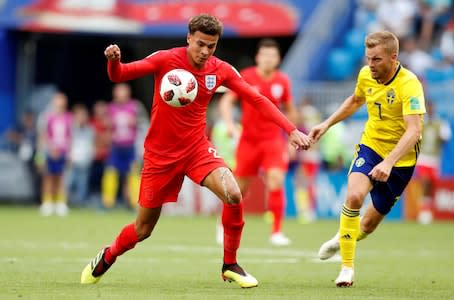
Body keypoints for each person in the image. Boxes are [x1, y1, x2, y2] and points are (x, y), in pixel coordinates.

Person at [80, 14, 311, 288]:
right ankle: (108, 255)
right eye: (200, 44)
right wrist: (113, 60)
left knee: (234, 194)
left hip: (196, 149)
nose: (205, 51)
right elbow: (120, 74)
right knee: (143, 229)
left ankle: (230, 264)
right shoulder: (165, 59)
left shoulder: (221, 70)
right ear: (189, 37)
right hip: (160, 156)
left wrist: (291, 129)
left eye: (211, 46)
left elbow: (257, 99)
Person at [309, 31, 425, 287]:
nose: (370, 65)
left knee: (369, 224)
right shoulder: (365, 75)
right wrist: (326, 124)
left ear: (393, 58)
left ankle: (342, 239)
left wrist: (390, 162)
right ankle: (347, 269)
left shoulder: (409, 84)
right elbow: (355, 100)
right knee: (353, 197)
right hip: (371, 148)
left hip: (401, 160)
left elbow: (414, 130)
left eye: (376, 60)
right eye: (368, 59)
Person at [218, 38, 299, 246]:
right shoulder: (246, 76)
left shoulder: (283, 81)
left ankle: (277, 231)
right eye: (264, 55)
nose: (268, 59)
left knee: (276, 180)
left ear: (278, 59)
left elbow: (291, 110)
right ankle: (223, 225)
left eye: (272, 56)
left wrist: (291, 139)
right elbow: (227, 101)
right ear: (258, 58)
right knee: (239, 189)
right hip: (248, 141)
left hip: (273, 140)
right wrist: (229, 124)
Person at [101, 83, 138, 209]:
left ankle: (135, 203)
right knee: (111, 173)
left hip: (130, 147)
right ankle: (108, 203)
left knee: (133, 174)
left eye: (123, 92)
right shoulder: (111, 108)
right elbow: (106, 126)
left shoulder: (135, 106)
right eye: (119, 92)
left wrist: (135, 122)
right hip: (116, 147)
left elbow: (145, 123)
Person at [415, 101, 451, 224]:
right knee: (425, 181)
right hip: (423, 157)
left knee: (431, 185)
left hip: (435, 159)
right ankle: (423, 211)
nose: (430, 109)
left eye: (431, 107)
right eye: (428, 107)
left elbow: (446, 138)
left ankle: (428, 210)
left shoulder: (440, 123)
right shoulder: (421, 122)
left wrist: (441, 136)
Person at [38, 92, 72, 216]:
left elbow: (71, 136)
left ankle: (60, 203)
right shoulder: (46, 117)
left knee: (61, 178)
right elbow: (42, 135)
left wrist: (69, 153)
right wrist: (43, 153)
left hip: (63, 152)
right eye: (58, 101)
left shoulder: (68, 117)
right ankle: (47, 203)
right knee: (48, 177)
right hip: (49, 152)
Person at [66, 104, 94, 206]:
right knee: (68, 182)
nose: (82, 118)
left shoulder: (90, 129)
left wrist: (91, 156)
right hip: (73, 160)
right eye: (80, 115)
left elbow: (91, 144)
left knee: (83, 183)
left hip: (85, 160)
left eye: (84, 115)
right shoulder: (71, 129)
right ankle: (66, 202)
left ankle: (80, 203)